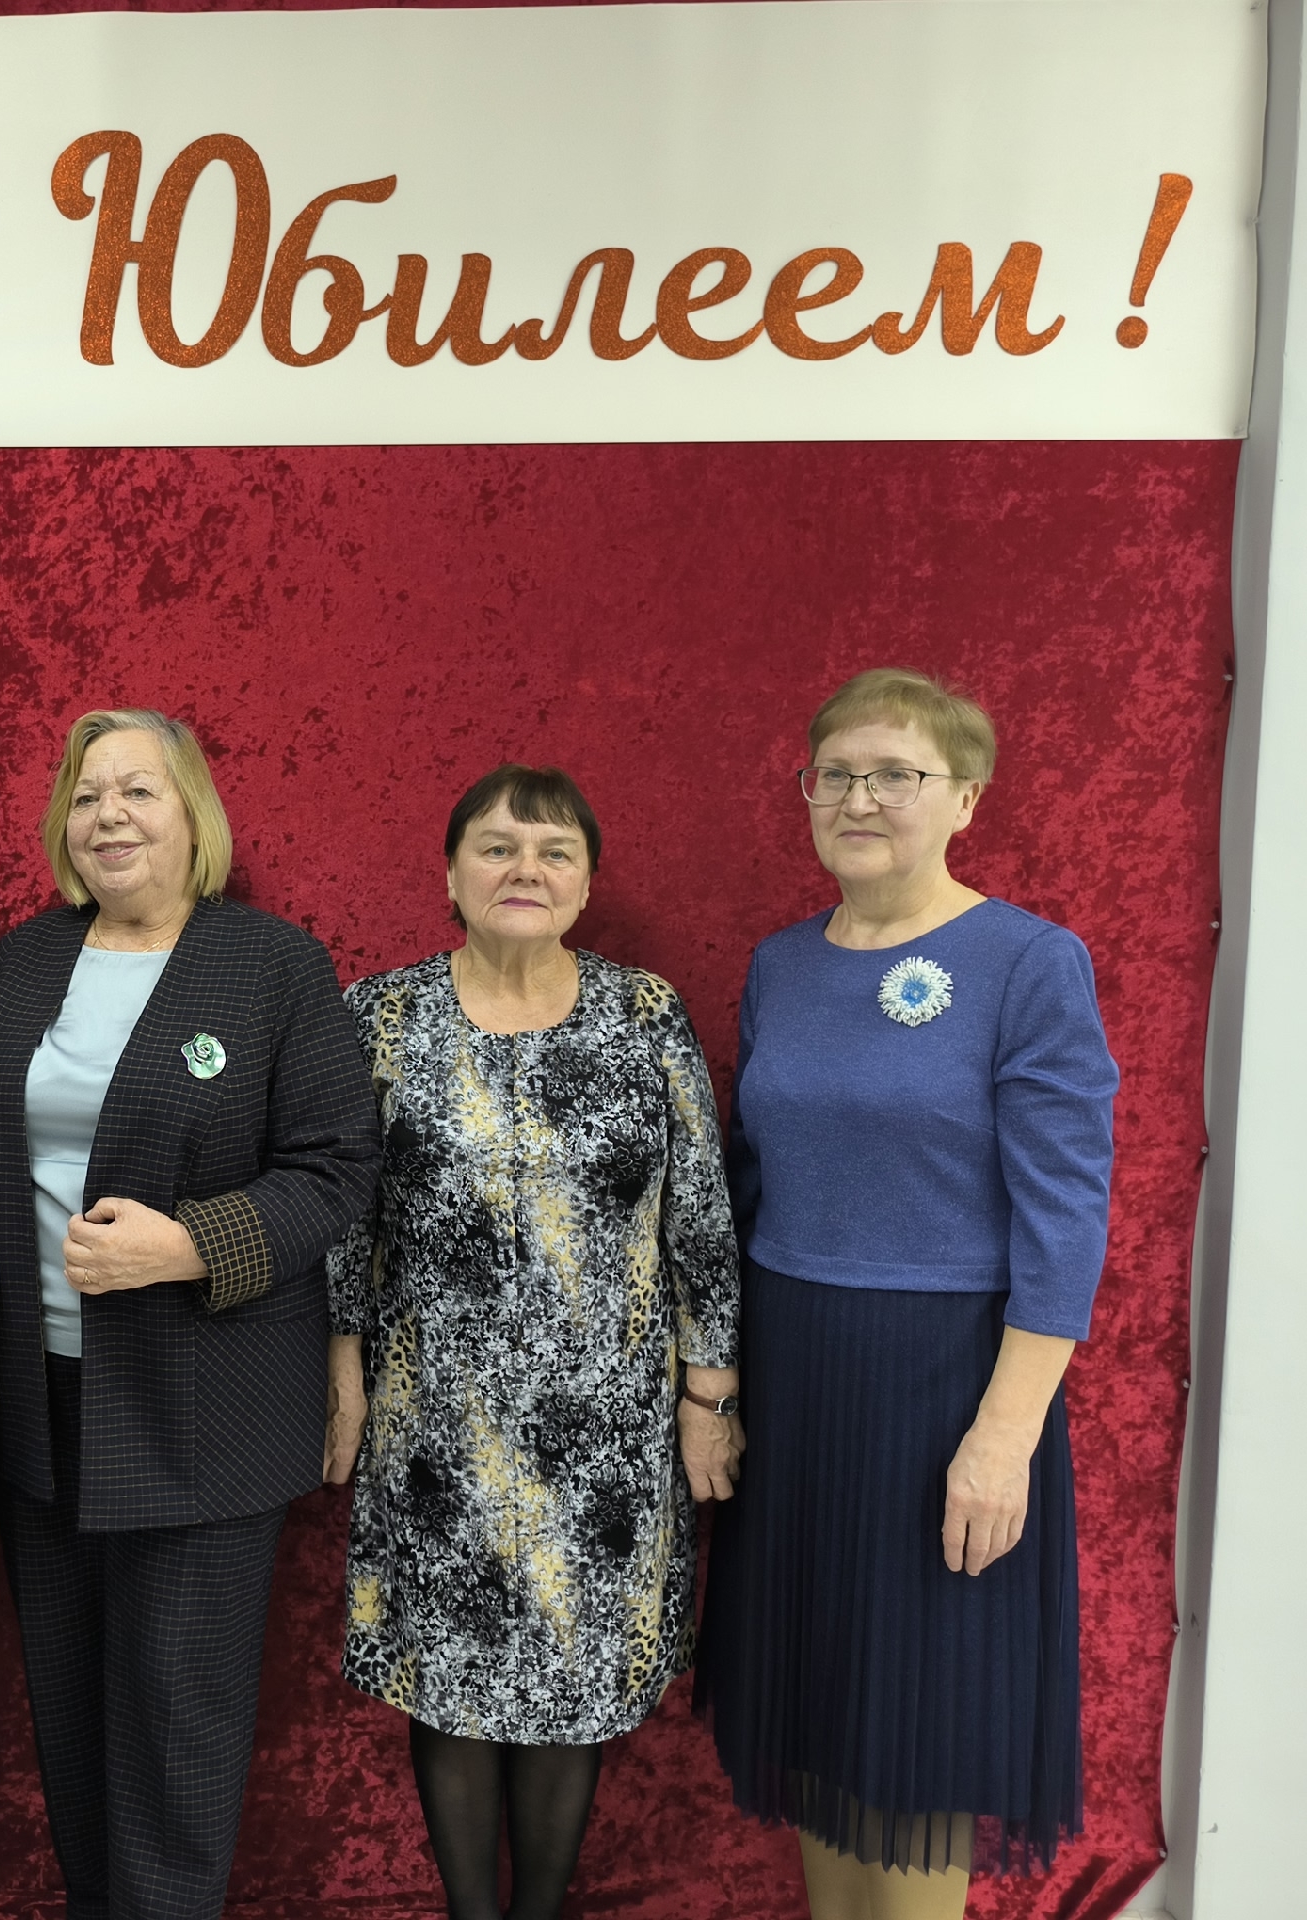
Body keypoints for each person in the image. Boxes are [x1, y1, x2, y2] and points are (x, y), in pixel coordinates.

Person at [696, 669, 1117, 1920]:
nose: (859, 798)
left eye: (896, 774)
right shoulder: (780, 965)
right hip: (797, 1382)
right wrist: (718, 1387)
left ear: (965, 799)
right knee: (825, 1721)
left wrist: (1003, 1436)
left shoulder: (1028, 963)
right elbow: (745, 1184)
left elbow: (1064, 1221)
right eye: (834, 774)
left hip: (945, 1392)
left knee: (917, 1730)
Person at [0, 708, 381, 1920]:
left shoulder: (272, 966)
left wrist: (188, 1244)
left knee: (173, 1737)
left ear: (192, 815)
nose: (109, 816)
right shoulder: (22, 962)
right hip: (38, 1406)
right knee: (70, 1717)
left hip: (203, 1410)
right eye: (86, 795)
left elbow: (337, 1169)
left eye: (137, 791)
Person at [321, 764, 743, 1920]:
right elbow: (342, 1216)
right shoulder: (380, 1016)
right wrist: (341, 1367)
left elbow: (699, 1216)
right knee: (451, 1678)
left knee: (573, 1680)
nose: (525, 869)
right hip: (434, 1425)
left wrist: (709, 1397)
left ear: (587, 884)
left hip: (607, 1434)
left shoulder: (643, 1015)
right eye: (498, 847)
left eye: (555, 851)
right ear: (450, 872)